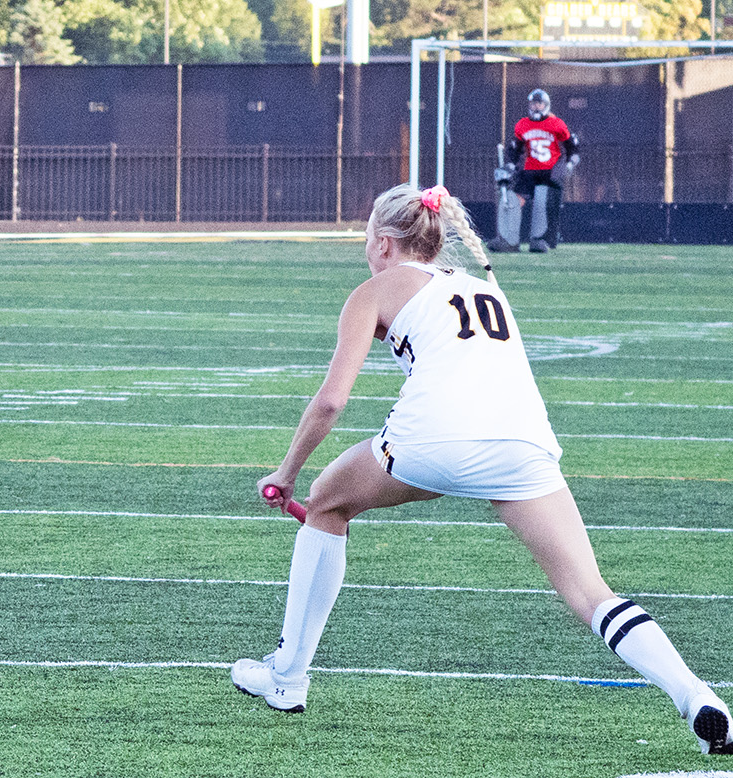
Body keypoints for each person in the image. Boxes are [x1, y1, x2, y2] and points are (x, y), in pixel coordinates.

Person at [237, 182, 731, 754]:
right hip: (521, 444)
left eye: (367, 238)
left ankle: (288, 678)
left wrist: (287, 471)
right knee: (590, 590)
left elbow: (330, 402)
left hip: (432, 443)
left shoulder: (374, 289)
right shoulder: (481, 288)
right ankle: (696, 694)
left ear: (385, 243)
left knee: (326, 503)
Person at [486, 88, 580, 254]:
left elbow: (571, 145)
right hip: (529, 170)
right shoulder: (523, 124)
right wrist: (510, 166)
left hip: (550, 172)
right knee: (513, 199)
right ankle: (508, 240)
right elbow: (515, 149)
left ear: (546, 105)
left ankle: (539, 239)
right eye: (533, 103)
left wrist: (571, 162)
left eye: (539, 103)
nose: (536, 107)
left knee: (541, 202)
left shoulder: (556, 123)